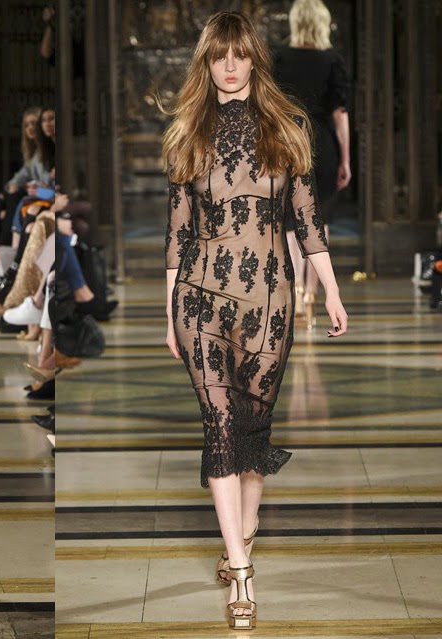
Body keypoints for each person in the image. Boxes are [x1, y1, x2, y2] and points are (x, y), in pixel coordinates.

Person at [160, 11, 348, 630]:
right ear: (206, 62)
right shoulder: (188, 132)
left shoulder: (287, 128)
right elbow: (177, 234)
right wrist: (168, 313)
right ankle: (241, 569)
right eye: (219, 56)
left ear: (254, 60)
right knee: (219, 426)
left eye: (239, 54)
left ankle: (245, 527)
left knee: (251, 431)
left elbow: (308, 222)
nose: (230, 66)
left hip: (269, 302)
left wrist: (332, 291)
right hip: (200, 302)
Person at [273, 0, 351, 324]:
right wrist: (346, 159)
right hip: (322, 143)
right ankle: (312, 292)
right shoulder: (332, 60)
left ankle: (294, 291)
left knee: (291, 222)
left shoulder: (279, 57)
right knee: (321, 219)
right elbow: (340, 114)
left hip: (289, 141)